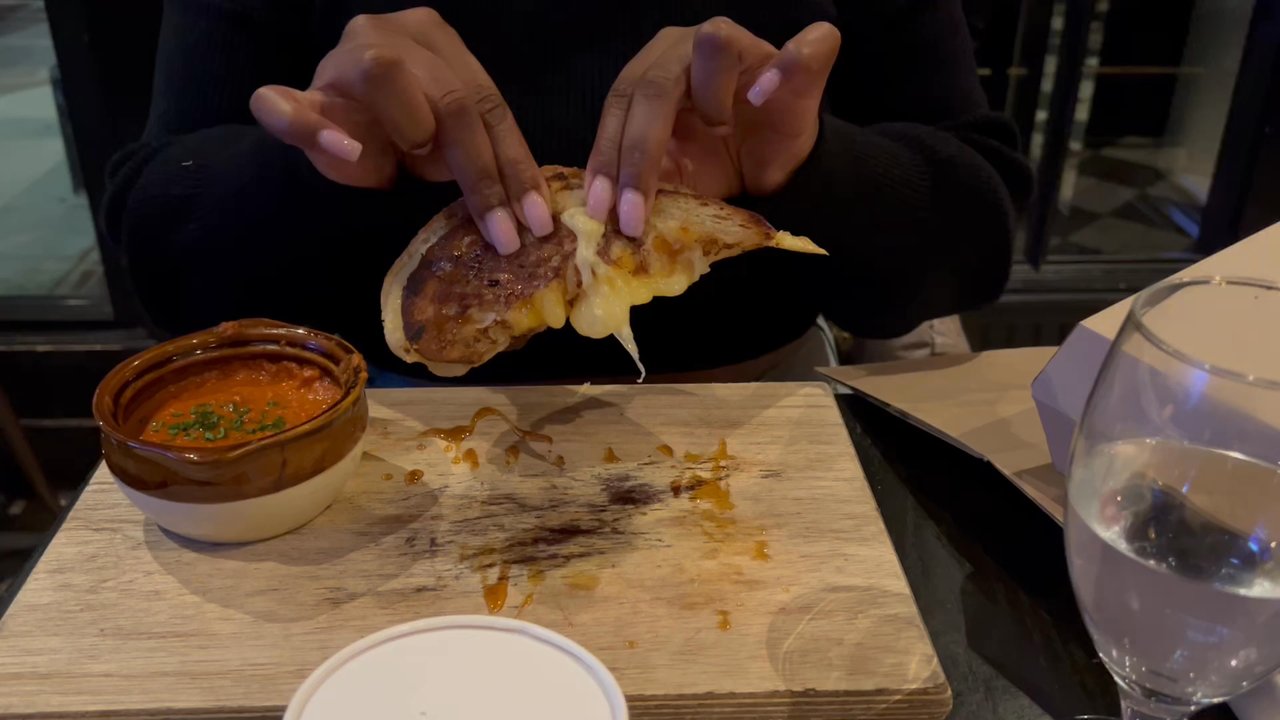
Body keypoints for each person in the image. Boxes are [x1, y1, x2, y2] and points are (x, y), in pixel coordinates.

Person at [104, 1, 1032, 384]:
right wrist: (319, 161)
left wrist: (809, 168)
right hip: (364, 442)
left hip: (762, 428)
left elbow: (978, 236)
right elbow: (159, 259)